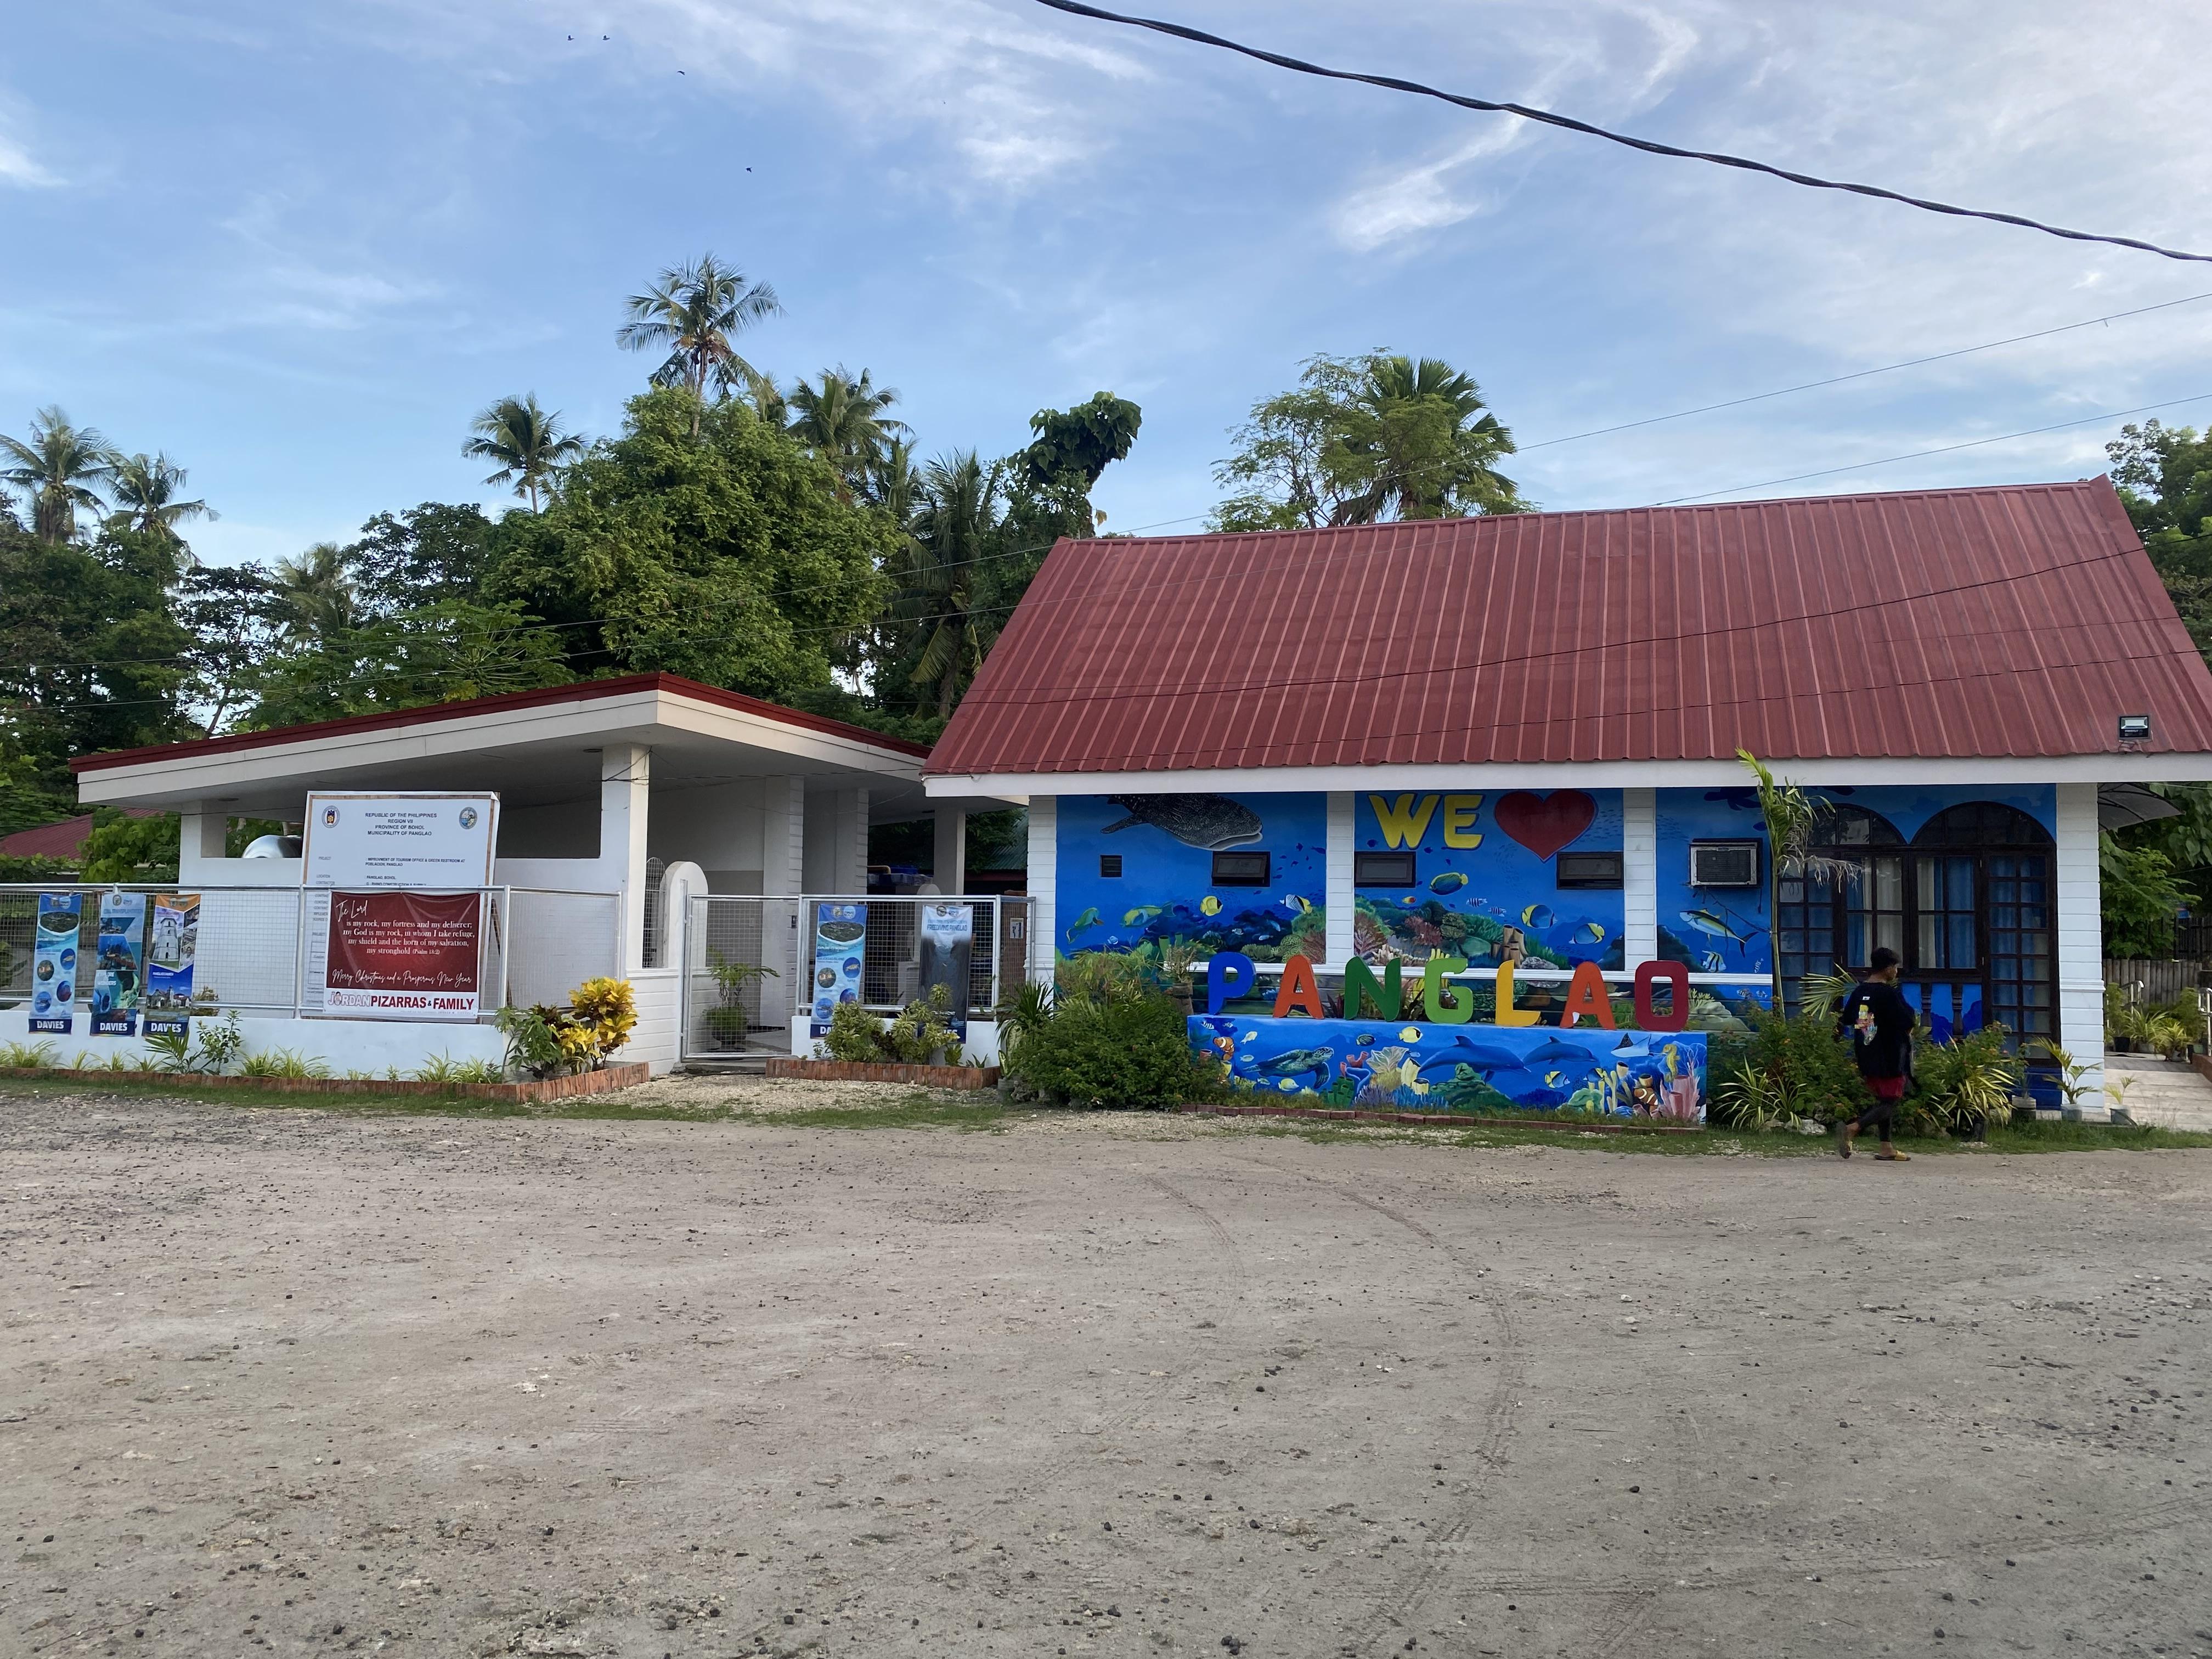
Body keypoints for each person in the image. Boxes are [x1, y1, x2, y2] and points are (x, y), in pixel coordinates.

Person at [1835, 946, 1916, 1160]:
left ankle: (1886, 1148)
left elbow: (1850, 1019)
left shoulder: (1859, 992)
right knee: (1891, 1101)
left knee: (1884, 1099)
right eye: (1895, 967)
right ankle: (1853, 1128)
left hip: (1867, 1053)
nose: (1896, 972)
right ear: (1888, 969)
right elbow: (1908, 1021)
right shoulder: (1889, 994)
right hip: (1890, 1055)